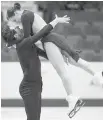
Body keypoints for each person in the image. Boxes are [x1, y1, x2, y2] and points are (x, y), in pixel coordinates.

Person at [3, 2, 103, 118]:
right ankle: (96, 74)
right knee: (73, 60)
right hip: (53, 38)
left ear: (15, 13)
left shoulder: (25, 16)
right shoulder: (28, 15)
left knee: (62, 72)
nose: (16, 23)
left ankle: (72, 98)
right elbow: (33, 41)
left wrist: (54, 22)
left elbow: (30, 38)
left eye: (14, 19)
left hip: (49, 41)